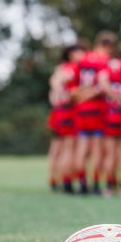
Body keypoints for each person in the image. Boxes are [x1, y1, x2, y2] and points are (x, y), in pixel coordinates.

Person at [72, 31, 116, 195]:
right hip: (97, 110)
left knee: (82, 149)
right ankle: (96, 183)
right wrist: (114, 95)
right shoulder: (104, 61)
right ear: (108, 46)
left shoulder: (82, 60)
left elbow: (74, 88)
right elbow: (103, 84)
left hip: (82, 109)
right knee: (97, 149)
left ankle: (82, 183)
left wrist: (83, 96)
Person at [47, 43, 86, 193]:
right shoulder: (71, 68)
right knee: (68, 149)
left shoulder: (61, 68)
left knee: (58, 148)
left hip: (59, 111)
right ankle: (66, 181)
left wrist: (55, 96)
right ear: (72, 54)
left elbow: (54, 83)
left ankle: (54, 180)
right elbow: (61, 86)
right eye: (80, 52)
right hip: (67, 111)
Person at [97, 43, 121, 197]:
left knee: (110, 153)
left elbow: (102, 82)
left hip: (110, 114)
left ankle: (109, 187)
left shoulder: (108, 68)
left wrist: (112, 94)